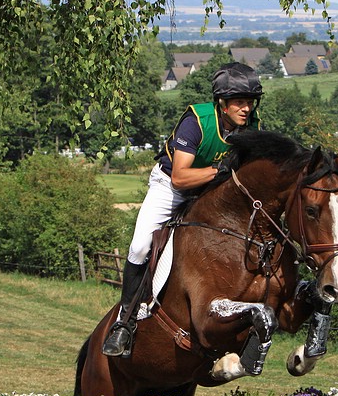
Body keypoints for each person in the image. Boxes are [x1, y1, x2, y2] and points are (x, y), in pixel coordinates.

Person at [102, 61, 263, 357]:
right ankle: (124, 322)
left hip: (211, 192)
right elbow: (180, 176)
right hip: (171, 189)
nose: (246, 109)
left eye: (250, 102)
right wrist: (219, 170)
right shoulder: (197, 121)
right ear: (222, 104)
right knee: (139, 247)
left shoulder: (252, 127)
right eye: (239, 102)